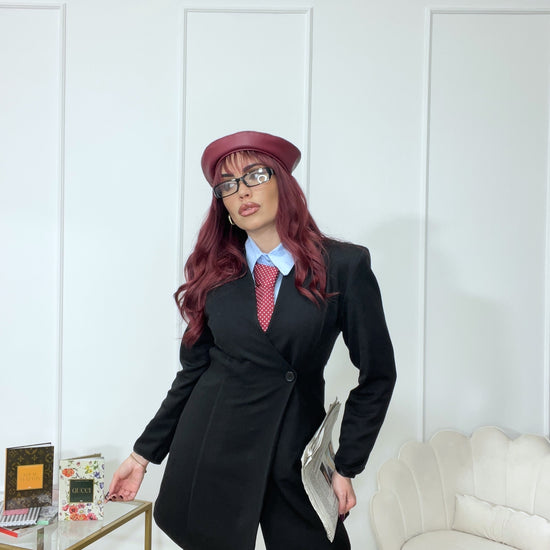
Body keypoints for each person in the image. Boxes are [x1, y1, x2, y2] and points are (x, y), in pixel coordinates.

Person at [108, 131, 396, 550]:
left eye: (255, 175)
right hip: (212, 446)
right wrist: (142, 455)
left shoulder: (343, 266)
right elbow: (192, 375)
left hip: (293, 454)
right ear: (222, 204)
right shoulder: (214, 274)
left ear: (283, 182)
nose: (242, 191)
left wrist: (346, 465)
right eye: (227, 185)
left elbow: (378, 374)